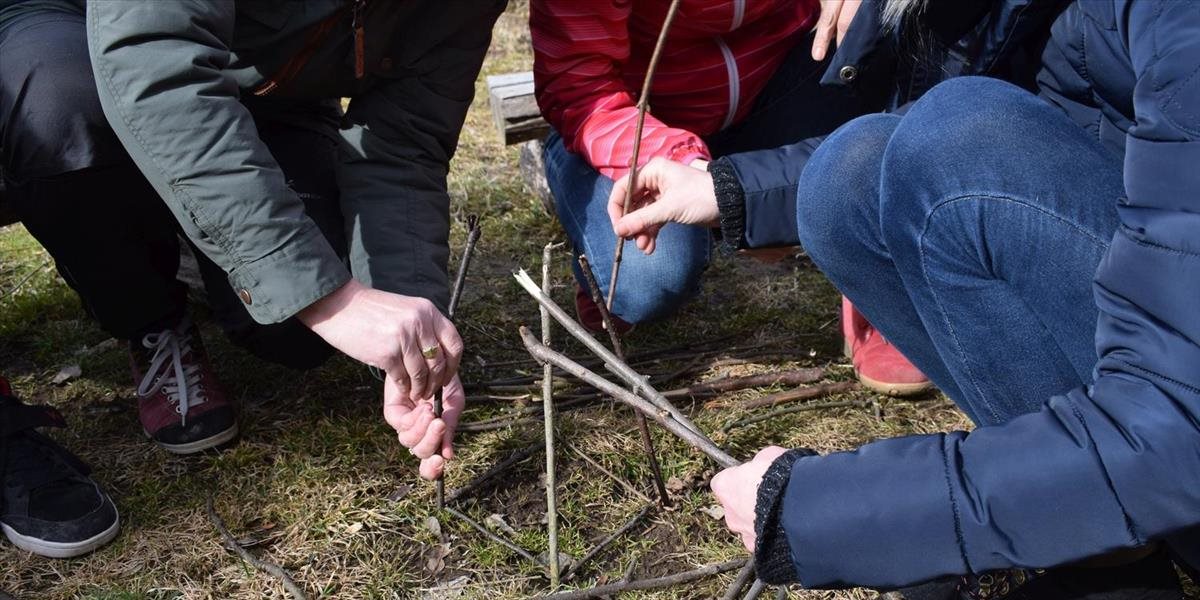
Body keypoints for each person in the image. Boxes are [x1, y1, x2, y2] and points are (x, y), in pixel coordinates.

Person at [609, 0, 1199, 596]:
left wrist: (820, 511)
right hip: (1161, 327)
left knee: (957, 135)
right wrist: (735, 190)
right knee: (848, 178)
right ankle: (1107, 558)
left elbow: (1180, 423)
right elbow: (1053, 121)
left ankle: (1104, 530)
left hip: (1175, 426)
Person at [0, 0, 503, 556]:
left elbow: (403, 139)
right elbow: (153, 62)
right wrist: (331, 299)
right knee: (62, 112)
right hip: (75, 38)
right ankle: (150, 315)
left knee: (292, 333)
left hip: (267, 89)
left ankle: (206, 232)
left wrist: (410, 327)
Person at [531, 0, 932, 396]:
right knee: (651, 278)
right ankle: (583, 199)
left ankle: (879, 269)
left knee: (896, 12)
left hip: (782, 83)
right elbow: (579, 84)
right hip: (638, 122)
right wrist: (718, 184)